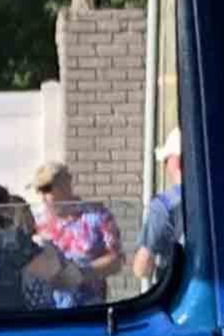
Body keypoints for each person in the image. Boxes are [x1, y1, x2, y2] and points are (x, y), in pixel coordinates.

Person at [18, 160, 125, 309]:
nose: (42, 197)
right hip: (46, 312)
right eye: (39, 191)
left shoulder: (98, 216)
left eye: (47, 189)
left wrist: (82, 274)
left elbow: (116, 261)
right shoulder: (36, 221)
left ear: (65, 185)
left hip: (87, 310)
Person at [133, 127, 185, 285]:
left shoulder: (163, 206)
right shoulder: (220, 198)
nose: (164, 166)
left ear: (176, 162)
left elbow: (142, 267)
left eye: (166, 160)